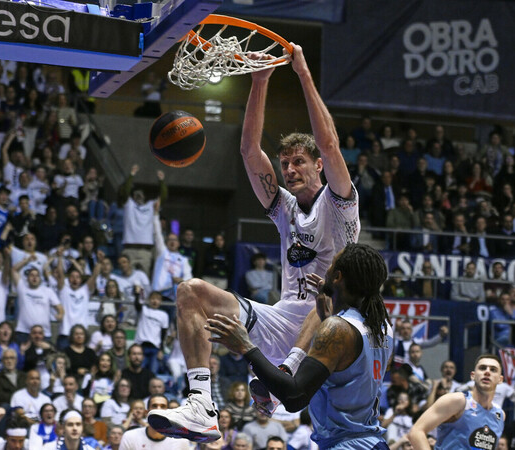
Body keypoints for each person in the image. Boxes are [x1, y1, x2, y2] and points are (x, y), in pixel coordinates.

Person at [145, 43, 360, 442]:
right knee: (190, 292)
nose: (290, 169)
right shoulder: (284, 208)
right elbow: (247, 151)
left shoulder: (341, 202)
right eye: (284, 164)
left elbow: (329, 144)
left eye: (299, 161)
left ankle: (285, 373)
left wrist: (302, 74)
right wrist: (259, 79)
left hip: (331, 326)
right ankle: (201, 405)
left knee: (323, 291)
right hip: (282, 319)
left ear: (318, 165)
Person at [197, 244, 394, 449]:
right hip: (372, 442)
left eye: (331, 264)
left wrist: (246, 347)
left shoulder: (338, 329)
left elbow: (294, 398)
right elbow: (357, 370)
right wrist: (328, 318)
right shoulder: (383, 327)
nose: (325, 269)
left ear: (337, 277)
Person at [407, 355, 506, 450]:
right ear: (473, 376)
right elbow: (416, 431)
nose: (487, 372)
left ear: (500, 379)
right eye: (482, 368)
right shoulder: (458, 401)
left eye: (493, 370)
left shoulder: (500, 415)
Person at [120, 395, 188, 449]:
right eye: (154, 406)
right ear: (146, 413)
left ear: (169, 413)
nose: (158, 409)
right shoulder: (130, 437)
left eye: (163, 406)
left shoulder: (181, 441)